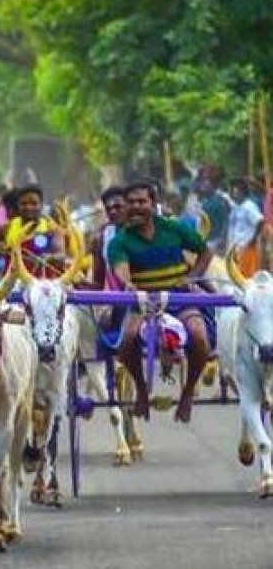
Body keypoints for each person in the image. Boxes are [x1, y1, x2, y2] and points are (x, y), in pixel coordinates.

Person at [107, 180, 213, 423]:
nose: (135, 207)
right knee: (127, 341)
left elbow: (206, 251)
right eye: (131, 202)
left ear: (153, 204)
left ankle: (187, 393)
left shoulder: (174, 228)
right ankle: (142, 391)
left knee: (199, 336)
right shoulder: (120, 241)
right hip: (144, 301)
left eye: (141, 201)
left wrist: (193, 276)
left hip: (179, 298)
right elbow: (121, 270)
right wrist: (128, 284)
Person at [0, 183, 67, 278]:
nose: (29, 207)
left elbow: (61, 256)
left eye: (34, 203)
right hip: (10, 283)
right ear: (18, 205)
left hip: (41, 285)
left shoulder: (52, 229)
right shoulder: (9, 226)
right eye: (24, 204)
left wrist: (49, 258)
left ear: (41, 205)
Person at [90, 185, 127, 290]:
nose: (113, 212)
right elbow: (98, 282)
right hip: (118, 301)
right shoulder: (102, 238)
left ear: (129, 205)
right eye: (108, 209)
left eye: (118, 207)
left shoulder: (142, 231)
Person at [226, 178, 264, 277]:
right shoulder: (238, 206)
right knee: (237, 275)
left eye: (235, 192)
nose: (233, 194)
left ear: (241, 192)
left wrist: (253, 239)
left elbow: (260, 221)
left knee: (246, 277)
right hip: (238, 248)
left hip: (247, 248)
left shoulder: (249, 206)